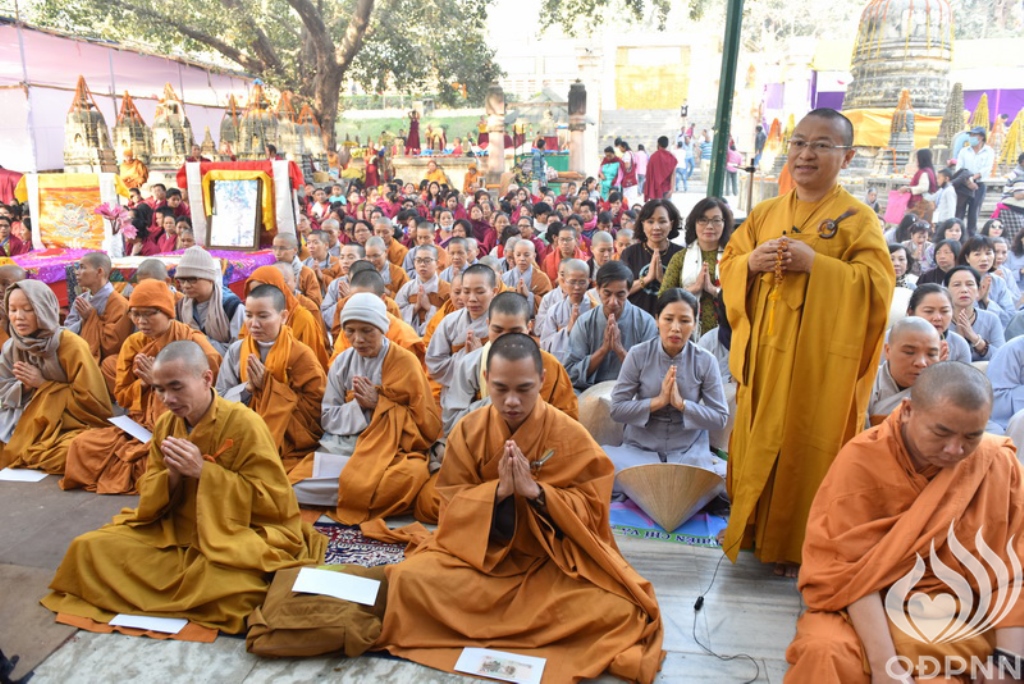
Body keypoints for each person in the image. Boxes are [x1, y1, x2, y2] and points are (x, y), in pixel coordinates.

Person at [370, 333, 665, 684]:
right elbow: (449, 508)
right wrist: (496, 493)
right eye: (500, 389)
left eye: (524, 389)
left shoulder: (568, 433)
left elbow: (593, 512)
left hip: (549, 564)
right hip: (482, 561)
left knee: (622, 610)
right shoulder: (469, 429)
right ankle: (518, 633)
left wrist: (538, 493)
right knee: (407, 579)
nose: (511, 401)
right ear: (486, 382)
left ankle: (481, 629)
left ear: (542, 381)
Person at [43, 341, 326, 635]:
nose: (167, 398)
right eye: (159, 389)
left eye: (176, 387)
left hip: (233, 533)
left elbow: (274, 501)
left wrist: (206, 472)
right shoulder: (167, 425)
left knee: (236, 591)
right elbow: (149, 497)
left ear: (206, 379)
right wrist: (173, 476)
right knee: (87, 548)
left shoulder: (245, 424)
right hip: (176, 528)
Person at [719, 109, 894, 576]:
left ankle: (799, 547)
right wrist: (749, 265)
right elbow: (730, 262)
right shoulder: (765, 212)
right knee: (757, 437)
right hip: (766, 354)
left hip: (818, 367)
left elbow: (877, 290)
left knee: (806, 446)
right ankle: (751, 528)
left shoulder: (858, 220)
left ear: (847, 156)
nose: (805, 154)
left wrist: (818, 265)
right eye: (798, 143)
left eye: (821, 145)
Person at [785, 363, 1024, 684]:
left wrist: (1010, 663)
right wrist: (886, 666)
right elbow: (846, 572)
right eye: (941, 433)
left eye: (972, 436)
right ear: (908, 410)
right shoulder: (862, 460)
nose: (956, 449)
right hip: (867, 608)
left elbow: (1014, 571)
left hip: (960, 612)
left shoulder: (996, 463)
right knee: (825, 653)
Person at [61, 280, 222, 494]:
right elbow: (122, 397)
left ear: (168, 313)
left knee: (160, 465)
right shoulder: (133, 344)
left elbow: (210, 390)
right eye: (135, 314)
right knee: (81, 445)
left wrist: (162, 385)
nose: (141, 321)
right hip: (141, 426)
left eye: (149, 314)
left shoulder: (191, 341)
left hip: (182, 425)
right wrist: (143, 384)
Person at [290, 293, 440, 523]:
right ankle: (358, 493)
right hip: (347, 449)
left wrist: (379, 404)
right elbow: (328, 418)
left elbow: (425, 424)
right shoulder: (341, 362)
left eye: (367, 330)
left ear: (382, 328)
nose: (358, 339)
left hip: (392, 452)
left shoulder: (405, 362)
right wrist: (359, 407)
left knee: (411, 477)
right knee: (296, 486)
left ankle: (352, 493)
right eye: (350, 331)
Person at [603, 289, 729, 484]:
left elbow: (720, 417)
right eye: (668, 319)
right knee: (600, 470)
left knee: (727, 481)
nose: (676, 328)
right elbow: (617, 409)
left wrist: (682, 405)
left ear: (695, 324)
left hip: (688, 454)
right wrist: (658, 402)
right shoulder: (639, 355)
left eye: (685, 321)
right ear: (656, 320)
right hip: (639, 452)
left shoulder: (705, 361)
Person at [0, 281, 112, 473]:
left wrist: (43, 384)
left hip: (69, 424)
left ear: (44, 309)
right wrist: (25, 387)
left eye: (28, 309)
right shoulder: (12, 346)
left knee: (81, 450)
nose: (18, 317)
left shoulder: (70, 345)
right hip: (25, 419)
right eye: (12, 310)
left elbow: (95, 404)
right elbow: (3, 392)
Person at [215, 285, 326, 473]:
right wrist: (248, 388)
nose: (254, 324)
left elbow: (316, 408)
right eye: (249, 315)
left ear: (283, 317)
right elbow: (219, 398)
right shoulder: (237, 350)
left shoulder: (300, 355)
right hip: (242, 432)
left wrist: (270, 389)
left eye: (263, 316)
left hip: (289, 439)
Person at [441, 291, 578, 435]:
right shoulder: (470, 364)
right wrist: (498, 401)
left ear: (529, 327)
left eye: (515, 331)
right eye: (498, 330)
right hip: (484, 450)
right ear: (488, 325)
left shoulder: (549, 365)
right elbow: (452, 424)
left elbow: (568, 424)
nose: (506, 338)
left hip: (540, 451)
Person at [565, 261, 658, 390]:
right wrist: (603, 350)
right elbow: (569, 373)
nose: (613, 302)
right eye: (607, 294)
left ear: (629, 291)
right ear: (597, 290)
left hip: (631, 394)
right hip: (589, 393)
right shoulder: (584, 322)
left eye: (620, 295)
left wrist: (619, 350)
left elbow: (651, 375)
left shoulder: (645, 322)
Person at [63, 252, 134, 395]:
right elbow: (66, 332)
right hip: (80, 357)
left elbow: (112, 345)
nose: (77, 272)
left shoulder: (119, 304)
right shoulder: (82, 299)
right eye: (78, 268)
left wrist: (92, 319)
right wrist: (86, 321)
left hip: (104, 364)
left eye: (82, 268)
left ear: (99, 271)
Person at [659, 198, 733, 333]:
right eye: (703, 220)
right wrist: (693, 289)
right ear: (694, 223)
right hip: (685, 333)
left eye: (716, 220)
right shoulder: (680, 258)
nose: (709, 226)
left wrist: (714, 291)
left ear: (725, 224)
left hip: (728, 332)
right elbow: (663, 298)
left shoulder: (734, 257)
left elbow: (743, 297)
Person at [425, 263, 497, 402]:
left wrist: (479, 357)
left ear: (494, 292)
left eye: (480, 292)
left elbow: (510, 365)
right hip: (454, 394)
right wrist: (469, 358)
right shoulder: (449, 322)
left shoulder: (501, 323)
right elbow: (434, 364)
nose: (472, 298)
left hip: (489, 396)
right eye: (466, 291)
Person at [331, 269, 426, 369]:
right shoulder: (350, 330)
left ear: (383, 299)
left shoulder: (402, 334)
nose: (358, 339)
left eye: (367, 331)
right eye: (355, 300)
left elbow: (407, 377)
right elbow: (336, 366)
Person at [244, 265, 330, 370]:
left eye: (263, 316)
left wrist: (268, 380)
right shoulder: (251, 319)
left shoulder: (303, 319)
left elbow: (309, 366)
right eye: (253, 292)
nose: (254, 324)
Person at [867, 316, 941, 427]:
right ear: (888, 351)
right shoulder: (865, 384)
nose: (921, 363)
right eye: (909, 352)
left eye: (931, 354)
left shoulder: (942, 394)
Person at [174, 246, 245, 356]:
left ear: (210, 279)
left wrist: (201, 342)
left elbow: (240, 349)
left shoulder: (231, 306)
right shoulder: (181, 307)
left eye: (192, 279)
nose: (186, 285)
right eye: (182, 280)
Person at [620, 199, 685, 316]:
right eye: (650, 221)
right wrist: (647, 279)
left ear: (671, 224)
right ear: (642, 224)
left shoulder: (680, 254)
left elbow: (686, 294)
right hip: (635, 319)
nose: (656, 227)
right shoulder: (630, 253)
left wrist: (663, 280)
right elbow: (621, 291)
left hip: (670, 321)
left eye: (662, 221)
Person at [946, 265, 1005, 362]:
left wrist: (975, 339)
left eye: (970, 284)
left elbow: (1002, 357)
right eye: (957, 285)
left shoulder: (991, 319)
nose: (964, 290)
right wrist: (959, 339)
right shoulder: (941, 320)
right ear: (946, 290)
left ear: (978, 290)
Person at [904, 283, 972, 364]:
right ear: (911, 313)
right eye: (929, 311)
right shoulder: (893, 339)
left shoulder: (959, 344)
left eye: (945, 311)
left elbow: (963, 376)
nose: (937, 318)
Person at [395, 244, 450, 335]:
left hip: (437, 337)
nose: (422, 264)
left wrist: (429, 307)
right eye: (419, 260)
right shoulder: (407, 288)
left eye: (427, 261)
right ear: (414, 263)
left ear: (437, 263)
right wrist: (415, 307)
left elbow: (451, 316)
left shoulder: (447, 289)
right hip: (411, 336)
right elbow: (397, 314)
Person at [955, 126, 995, 236]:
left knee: (974, 212)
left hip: (979, 185)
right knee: (959, 212)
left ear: (981, 137)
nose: (971, 137)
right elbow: (959, 168)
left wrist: (974, 178)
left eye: (974, 135)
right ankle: (958, 233)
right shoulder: (964, 151)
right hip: (963, 184)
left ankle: (971, 236)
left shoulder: (988, 151)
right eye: (971, 135)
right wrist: (968, 180)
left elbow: (986, 169)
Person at [500, 239, 552, 317]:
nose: (522, 258)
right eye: (518, 255)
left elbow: (548, 304)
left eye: (526, 255)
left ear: (534, 256)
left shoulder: (542, 278)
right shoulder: (505, 277)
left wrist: (528, 295)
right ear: (514, 255)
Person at [272, 233, 322, 307]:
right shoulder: (271, 270)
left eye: (282, 248)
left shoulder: (306, 273)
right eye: (274, 248)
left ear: (295, 250)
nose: (277, 253)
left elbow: (315, 304)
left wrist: (293, 293)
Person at [644, 136, 677, 202]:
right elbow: (673, 174)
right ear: (667, 145)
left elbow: (648, 174)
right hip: (667, 188)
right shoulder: (671, 157)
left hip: (655, 189)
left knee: (655, 209)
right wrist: (672, 189)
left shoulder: (653, 156)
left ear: (658, 144)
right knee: (667, 209)